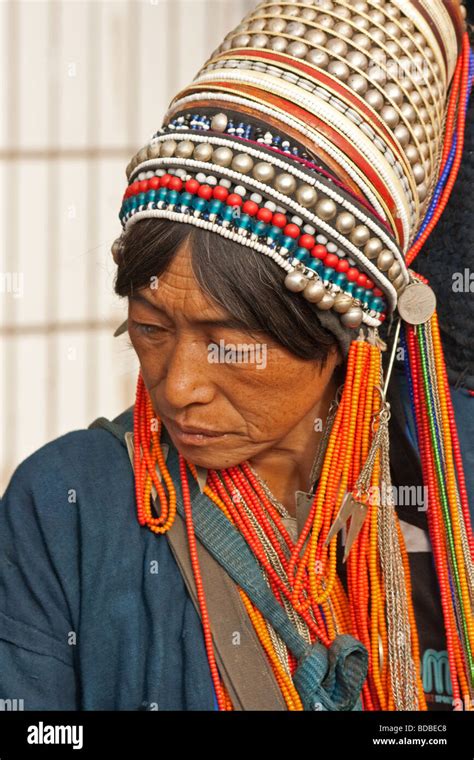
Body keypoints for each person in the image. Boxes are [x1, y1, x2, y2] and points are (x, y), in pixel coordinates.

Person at [1, 0, 473, 712]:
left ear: (345, 334)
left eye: (230, 343)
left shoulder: (451, 485)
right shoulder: (66, 506)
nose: (179, 386)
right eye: (151, 330)